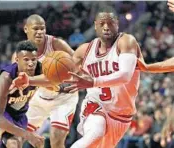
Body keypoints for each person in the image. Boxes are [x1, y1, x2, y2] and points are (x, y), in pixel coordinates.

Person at [61, 7, 142, 148]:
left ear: (117, 23)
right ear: (95, 25)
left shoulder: (127, 42)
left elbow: (125, 75)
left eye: (110, 23)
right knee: (96, 131)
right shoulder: (84, 51)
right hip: (95, 105)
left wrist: (93, 81)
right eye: (102, 23)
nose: (106, 27)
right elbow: (62, 74)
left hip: (122, 114)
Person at [12, 14, 79, 148]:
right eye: (36, 29)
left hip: (64, 98)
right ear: (26, 29)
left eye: (42, 28)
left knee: (56, 138)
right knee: (15, 140)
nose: (40, 32)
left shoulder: (56, 43)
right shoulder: (19, 56)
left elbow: (76, 62)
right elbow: (25, 84)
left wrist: (70, 73)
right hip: (38, 99)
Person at [0, 40, 44, 148]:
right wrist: (28, 135)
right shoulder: (6, 78)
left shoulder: (40, 70)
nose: (31, 63)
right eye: (26, 60)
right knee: (10, 139)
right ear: (17, 60)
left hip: (20, 115)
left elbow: (55, 81)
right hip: (3, 113)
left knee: (16, 144)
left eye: (34, 59)